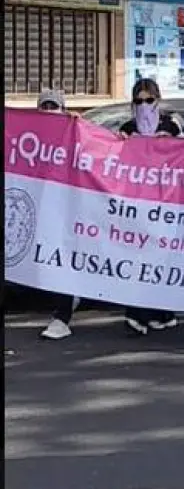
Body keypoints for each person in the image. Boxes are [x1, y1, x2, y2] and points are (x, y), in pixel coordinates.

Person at [118, 79, 182, 336]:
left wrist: (174, 142)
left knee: (161, 258)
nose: (143, 106)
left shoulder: (171, 126)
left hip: (166, 201)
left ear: (158, 100)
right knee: (138, 256)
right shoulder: (127, 128)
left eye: (148, 100)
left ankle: (162, 312)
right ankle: (137, 313)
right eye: (138, 101)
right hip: (138, 201)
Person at [36, 89, 81, 340]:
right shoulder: (30, 136)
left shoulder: (73, 133)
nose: (49, 111)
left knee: (60, 258)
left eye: (54, 106)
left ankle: (62, 317)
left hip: (66, 208)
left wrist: (78, 124)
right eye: (45, 106)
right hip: (40, 207)